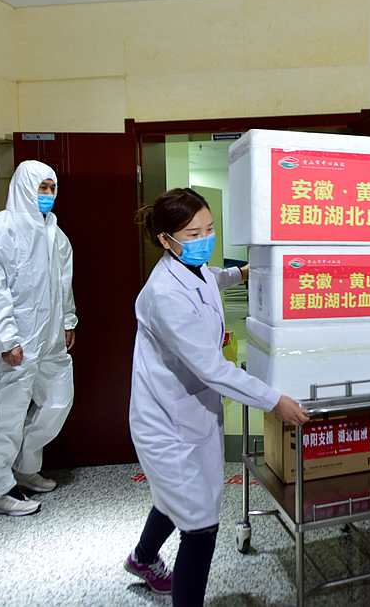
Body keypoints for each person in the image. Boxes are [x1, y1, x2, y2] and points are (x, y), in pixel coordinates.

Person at [125, 188, 309, 605]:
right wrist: (274, 400)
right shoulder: (164, 295)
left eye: (209, 229)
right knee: (201, 524)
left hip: (196, 413)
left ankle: (142, 557)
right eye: (193, 233)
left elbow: (214, 277)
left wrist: (245, 273)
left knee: (183, 499)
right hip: (165, 422)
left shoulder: (194, 269)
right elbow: (212, 369)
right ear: (165, 240)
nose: (204, 239)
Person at [0, 160, 77, 516]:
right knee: (5, 417)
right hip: (14, 341)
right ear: (23, 187)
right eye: (41, 188)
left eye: (52, 188)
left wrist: (68, 321)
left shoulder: (56, 235)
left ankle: (25, 466)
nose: (47, 195)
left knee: (58, 402)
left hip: (50, 339)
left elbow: (63, 285)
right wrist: (5, 339)